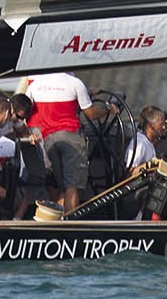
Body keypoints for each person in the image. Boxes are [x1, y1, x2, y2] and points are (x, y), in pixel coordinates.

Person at [24, 72, 111, 213]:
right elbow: (91, 113)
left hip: (49, 140)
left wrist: (28, 133)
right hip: (72, 138)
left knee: (59, 184)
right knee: (71, 184)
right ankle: (70, 223)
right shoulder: (75, 82)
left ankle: (56, 222)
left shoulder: (35, 85)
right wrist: (108, 109)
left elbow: (22, 108)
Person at [125, 105, 167, 174]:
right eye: (161, 124)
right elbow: (130, 172)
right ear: (150, 126)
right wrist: (150, 164)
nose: (164, 127)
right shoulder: (140, 143)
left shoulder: (149, 141)